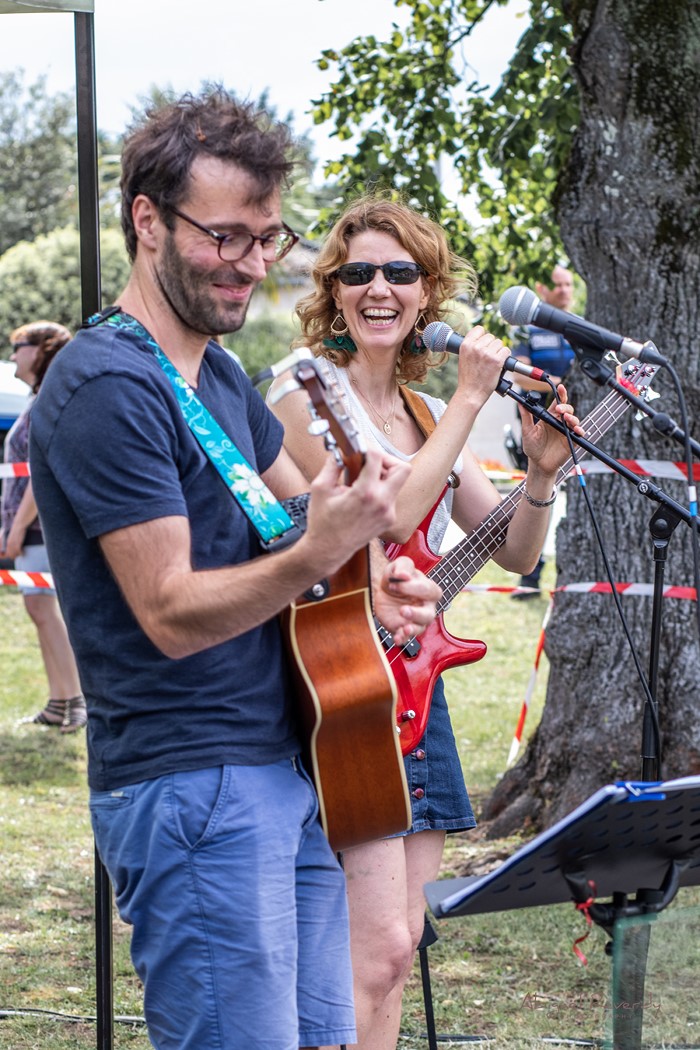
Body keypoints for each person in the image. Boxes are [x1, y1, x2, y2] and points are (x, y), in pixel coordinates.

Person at [28, 90, 441, 1050]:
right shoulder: (104, 383)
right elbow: (170, 609)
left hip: (286, 764)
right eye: (225, 236)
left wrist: (372, 581)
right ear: (146, 220)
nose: (252, 264)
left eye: (267, 237)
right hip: (189, 784)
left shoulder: (212, 375)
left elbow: (296, 512)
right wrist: (317, 545)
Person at [269, 196, 583, 1050]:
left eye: (400, 273)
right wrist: (469, 399)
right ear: (333, 291)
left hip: (413, 683)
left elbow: (513, 552)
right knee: (370, 950)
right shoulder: (300, 394)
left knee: (399, 945)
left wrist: (543, 478)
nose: (379, 288)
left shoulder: (418, 408)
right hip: (339, 681)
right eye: (358, 273)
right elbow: (380, 516)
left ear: (426, 292)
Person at [0, 321, 85, 732]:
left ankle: (74, 702)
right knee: (40, 609)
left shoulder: (49, 398)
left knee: (47, 609)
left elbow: (38, 472)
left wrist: (16, 530)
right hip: (32, 527)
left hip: (38, 528)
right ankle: (60, 701)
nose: (13, 354)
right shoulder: (41, 397)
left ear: (42, 349)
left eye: (20, 346)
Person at [509, 263, 577, 599]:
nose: (565, 290)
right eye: (558, 285)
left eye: (569, 284)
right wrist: (558, 383)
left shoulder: (579, 327)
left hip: (573, 425)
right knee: (535, 496)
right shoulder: (527, 329)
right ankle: (530, 579)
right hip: (535, 423)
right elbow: (517, 375)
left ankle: (571, 575)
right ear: (543, 288)